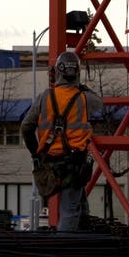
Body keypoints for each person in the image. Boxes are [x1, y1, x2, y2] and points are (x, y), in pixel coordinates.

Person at [21, 49, 102, 231]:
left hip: (50, 166)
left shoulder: (44, 97)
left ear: (57, 72)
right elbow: (99, 101)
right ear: (77, 74)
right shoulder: (84, 99)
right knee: (70, 212)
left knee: (80, 208)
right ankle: (64, 251)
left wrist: (36, 154)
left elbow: (26, 127)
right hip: (74, 166)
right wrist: (81, 86)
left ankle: (81, 236)